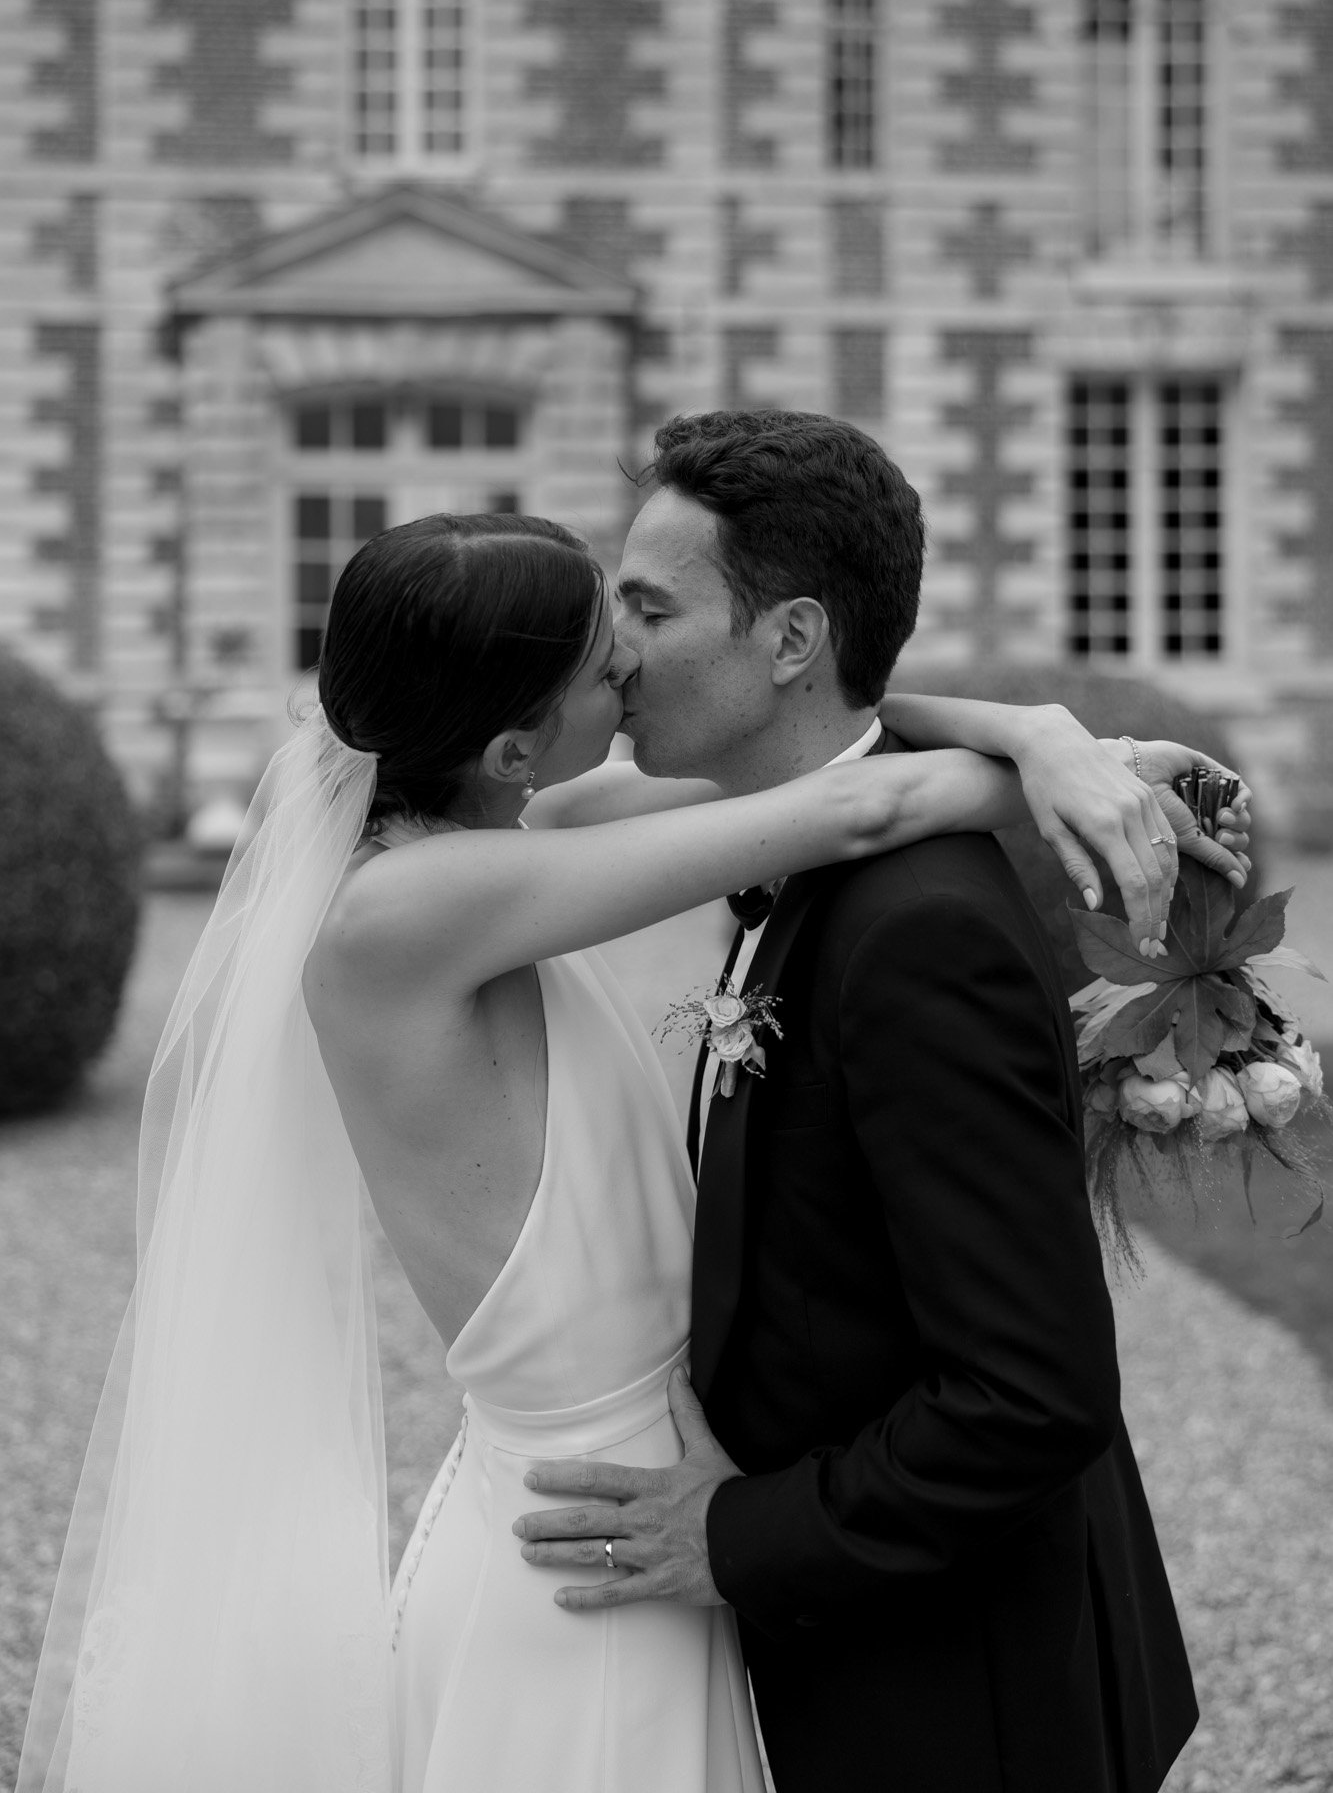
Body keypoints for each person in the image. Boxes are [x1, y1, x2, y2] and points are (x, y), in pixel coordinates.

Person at [16, 505, 1247, 1793]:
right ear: (510, 743)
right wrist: (1090, 776)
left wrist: (1045, 734)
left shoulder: (499, 832)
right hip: (590, 1548)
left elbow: (813, 757)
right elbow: (859, 805)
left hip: (637, 1514)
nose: (636, 670)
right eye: (607, 664)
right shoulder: (407, 911)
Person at [515, 412, 1247, 1793]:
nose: (611, 646)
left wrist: (729, 1538)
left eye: (649, 606)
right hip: (873, 1649)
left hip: (953, 1693)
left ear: (788, 641)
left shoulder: (919, 932)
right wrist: (1026, 728)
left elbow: (1029, 1396)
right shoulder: (765, 843)